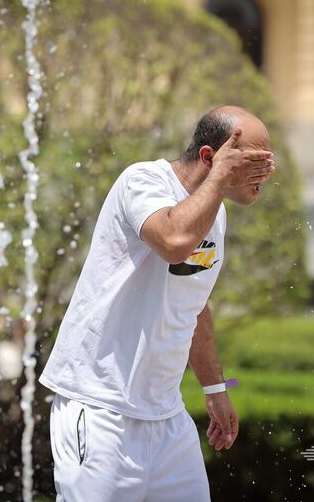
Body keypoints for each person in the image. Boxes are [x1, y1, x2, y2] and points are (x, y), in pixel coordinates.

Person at [38, 105, 276, 501]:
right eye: (254, 161)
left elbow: (193, 301)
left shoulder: (213, 214)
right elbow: (173, 242)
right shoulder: (142, 181)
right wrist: (220, 177)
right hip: (100, 408)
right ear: (209, 157)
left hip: (166, 417)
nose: (267, 172)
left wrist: (215, 387)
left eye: (269, 161)